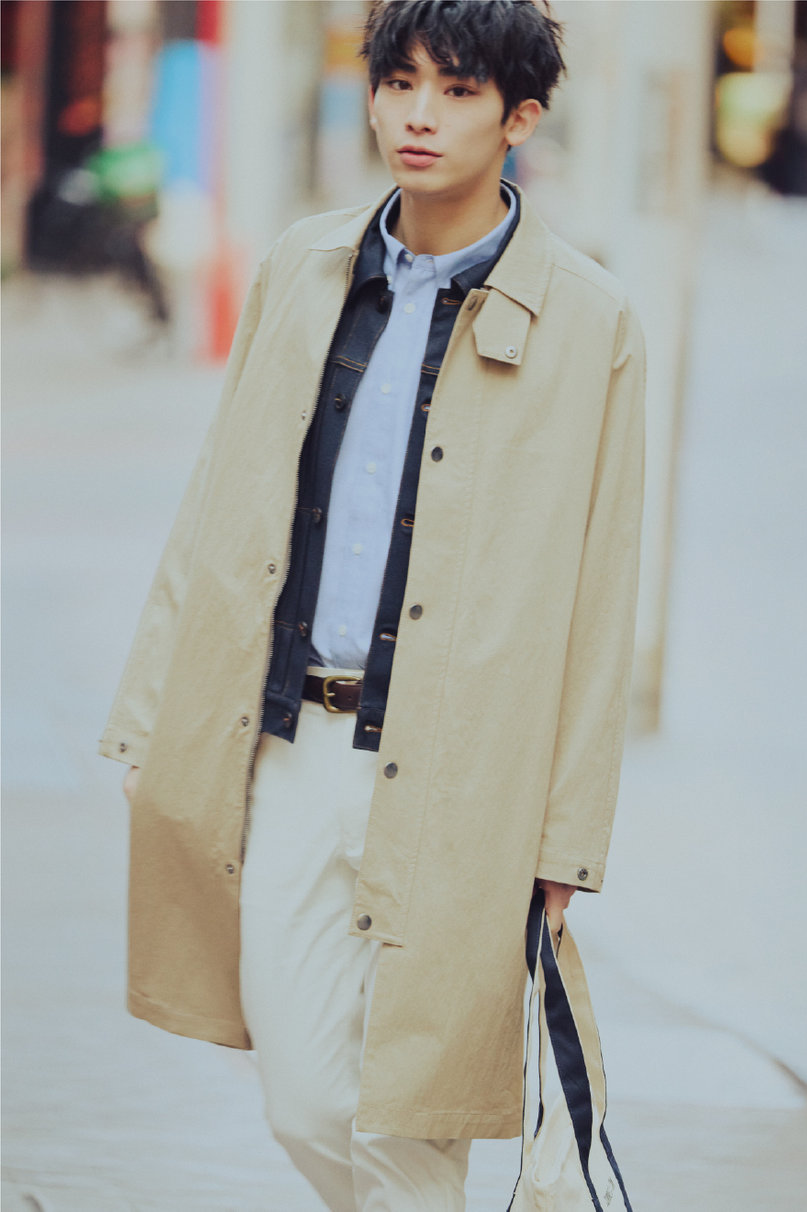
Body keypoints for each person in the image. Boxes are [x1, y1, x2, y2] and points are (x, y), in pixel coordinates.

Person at [101, 1, 645, 1208]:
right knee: (305, 1100)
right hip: (292, 743)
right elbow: (217, 505)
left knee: (408, 1112)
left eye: (456, 90)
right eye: (399, 83)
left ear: (520, 118)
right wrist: (152, 718)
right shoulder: (304, 269)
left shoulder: (592, 323)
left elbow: (601, 596)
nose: (417, 115)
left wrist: (564, 838)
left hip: (467, 776)